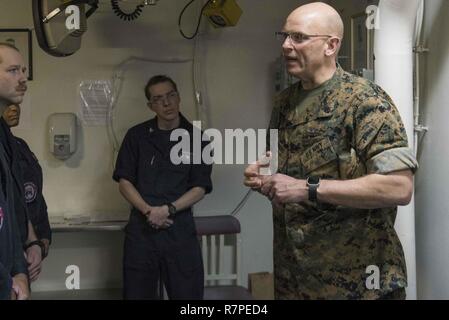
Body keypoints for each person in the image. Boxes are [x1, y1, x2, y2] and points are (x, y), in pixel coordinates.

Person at [244, 2, 418, 300]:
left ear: (331, 45)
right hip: (295, 277)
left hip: (357, 282)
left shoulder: (364, 100)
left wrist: (307, 188)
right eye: (284, 36)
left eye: (298, 37)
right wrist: (263, 178)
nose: (286, 45)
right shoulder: (284, 102)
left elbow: (398, 187)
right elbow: (281, 171)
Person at [113, 75, 213, 299]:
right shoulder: (136, 136)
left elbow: (200, 187)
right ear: (150, 105)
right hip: (142, 232)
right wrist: (149, 211)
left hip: (179, 233)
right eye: (158, 99)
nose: (166, 103)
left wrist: (168, 210)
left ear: (178, 97)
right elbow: (124, 182)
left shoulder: (199, 140)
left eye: (170, 96)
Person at [2, 104, 52, 273]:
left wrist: (41, 239)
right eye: (7, 104)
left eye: (16, 104)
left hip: (30, 244)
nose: (14, 109)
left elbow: (34, 196)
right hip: (10, 250)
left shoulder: (20, 146)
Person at [0, 42, 29, 300]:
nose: (22, 78)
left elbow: (10, 209)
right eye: (12, 70)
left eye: (23, 70)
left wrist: (19, 269)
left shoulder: (5, 137)